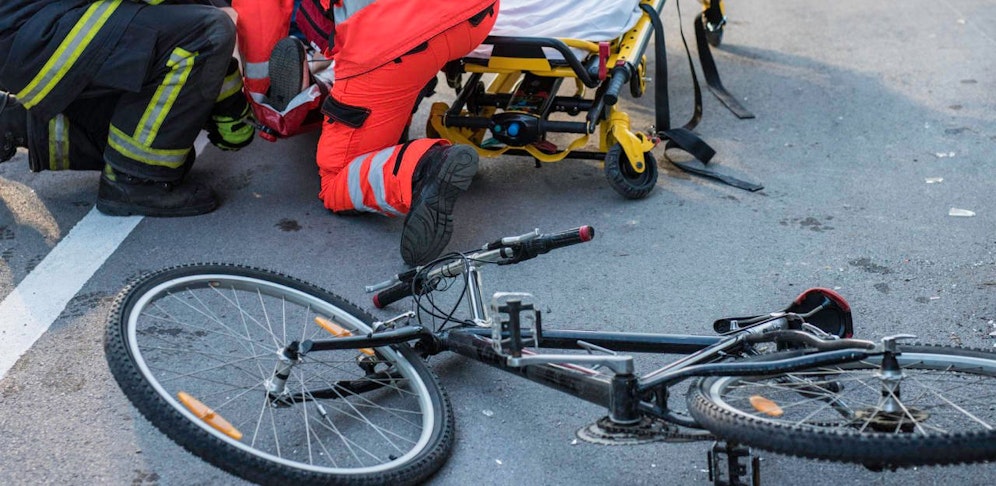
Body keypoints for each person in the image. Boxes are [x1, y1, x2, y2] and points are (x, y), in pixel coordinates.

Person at [233, 0, 498, 265]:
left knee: (336, 183)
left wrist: (262, 100)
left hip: (393, 40)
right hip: (476, 14)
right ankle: (380, 103)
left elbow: (260, 14)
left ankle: (424, 166)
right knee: (389, 71)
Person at [0, 0, 255, 217]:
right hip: (32, 34)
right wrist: (232, 110)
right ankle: (135, 183)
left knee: (165, 145)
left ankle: (14, 123)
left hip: (26, 26)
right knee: (207, 33)